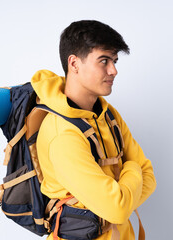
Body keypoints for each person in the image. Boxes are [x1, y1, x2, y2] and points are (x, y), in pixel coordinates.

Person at [31, 20, 156, 240]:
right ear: (74, 64)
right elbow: (118, 207)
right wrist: (133, 167)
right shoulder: (63, 134)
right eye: (104, 61)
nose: (114, 70)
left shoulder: (109, 115)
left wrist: (122, 199)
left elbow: (150, 178)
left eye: (115, 61)